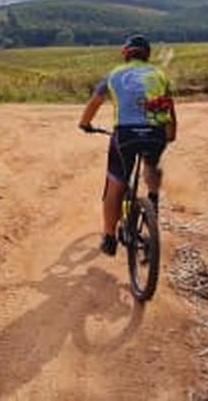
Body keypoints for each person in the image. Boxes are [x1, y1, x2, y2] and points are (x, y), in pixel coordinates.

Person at [78, 34, 177, 256]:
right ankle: (152, 197)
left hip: (126, 135)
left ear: (126, 54)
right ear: (147, 55)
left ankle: (110, 237)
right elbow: (170, 109)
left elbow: (95, 102)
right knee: (151, 163)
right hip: (155, 133)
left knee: (116, 183)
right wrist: (170, 135)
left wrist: (85, 124)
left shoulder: (114, 75)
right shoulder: (159, 74)